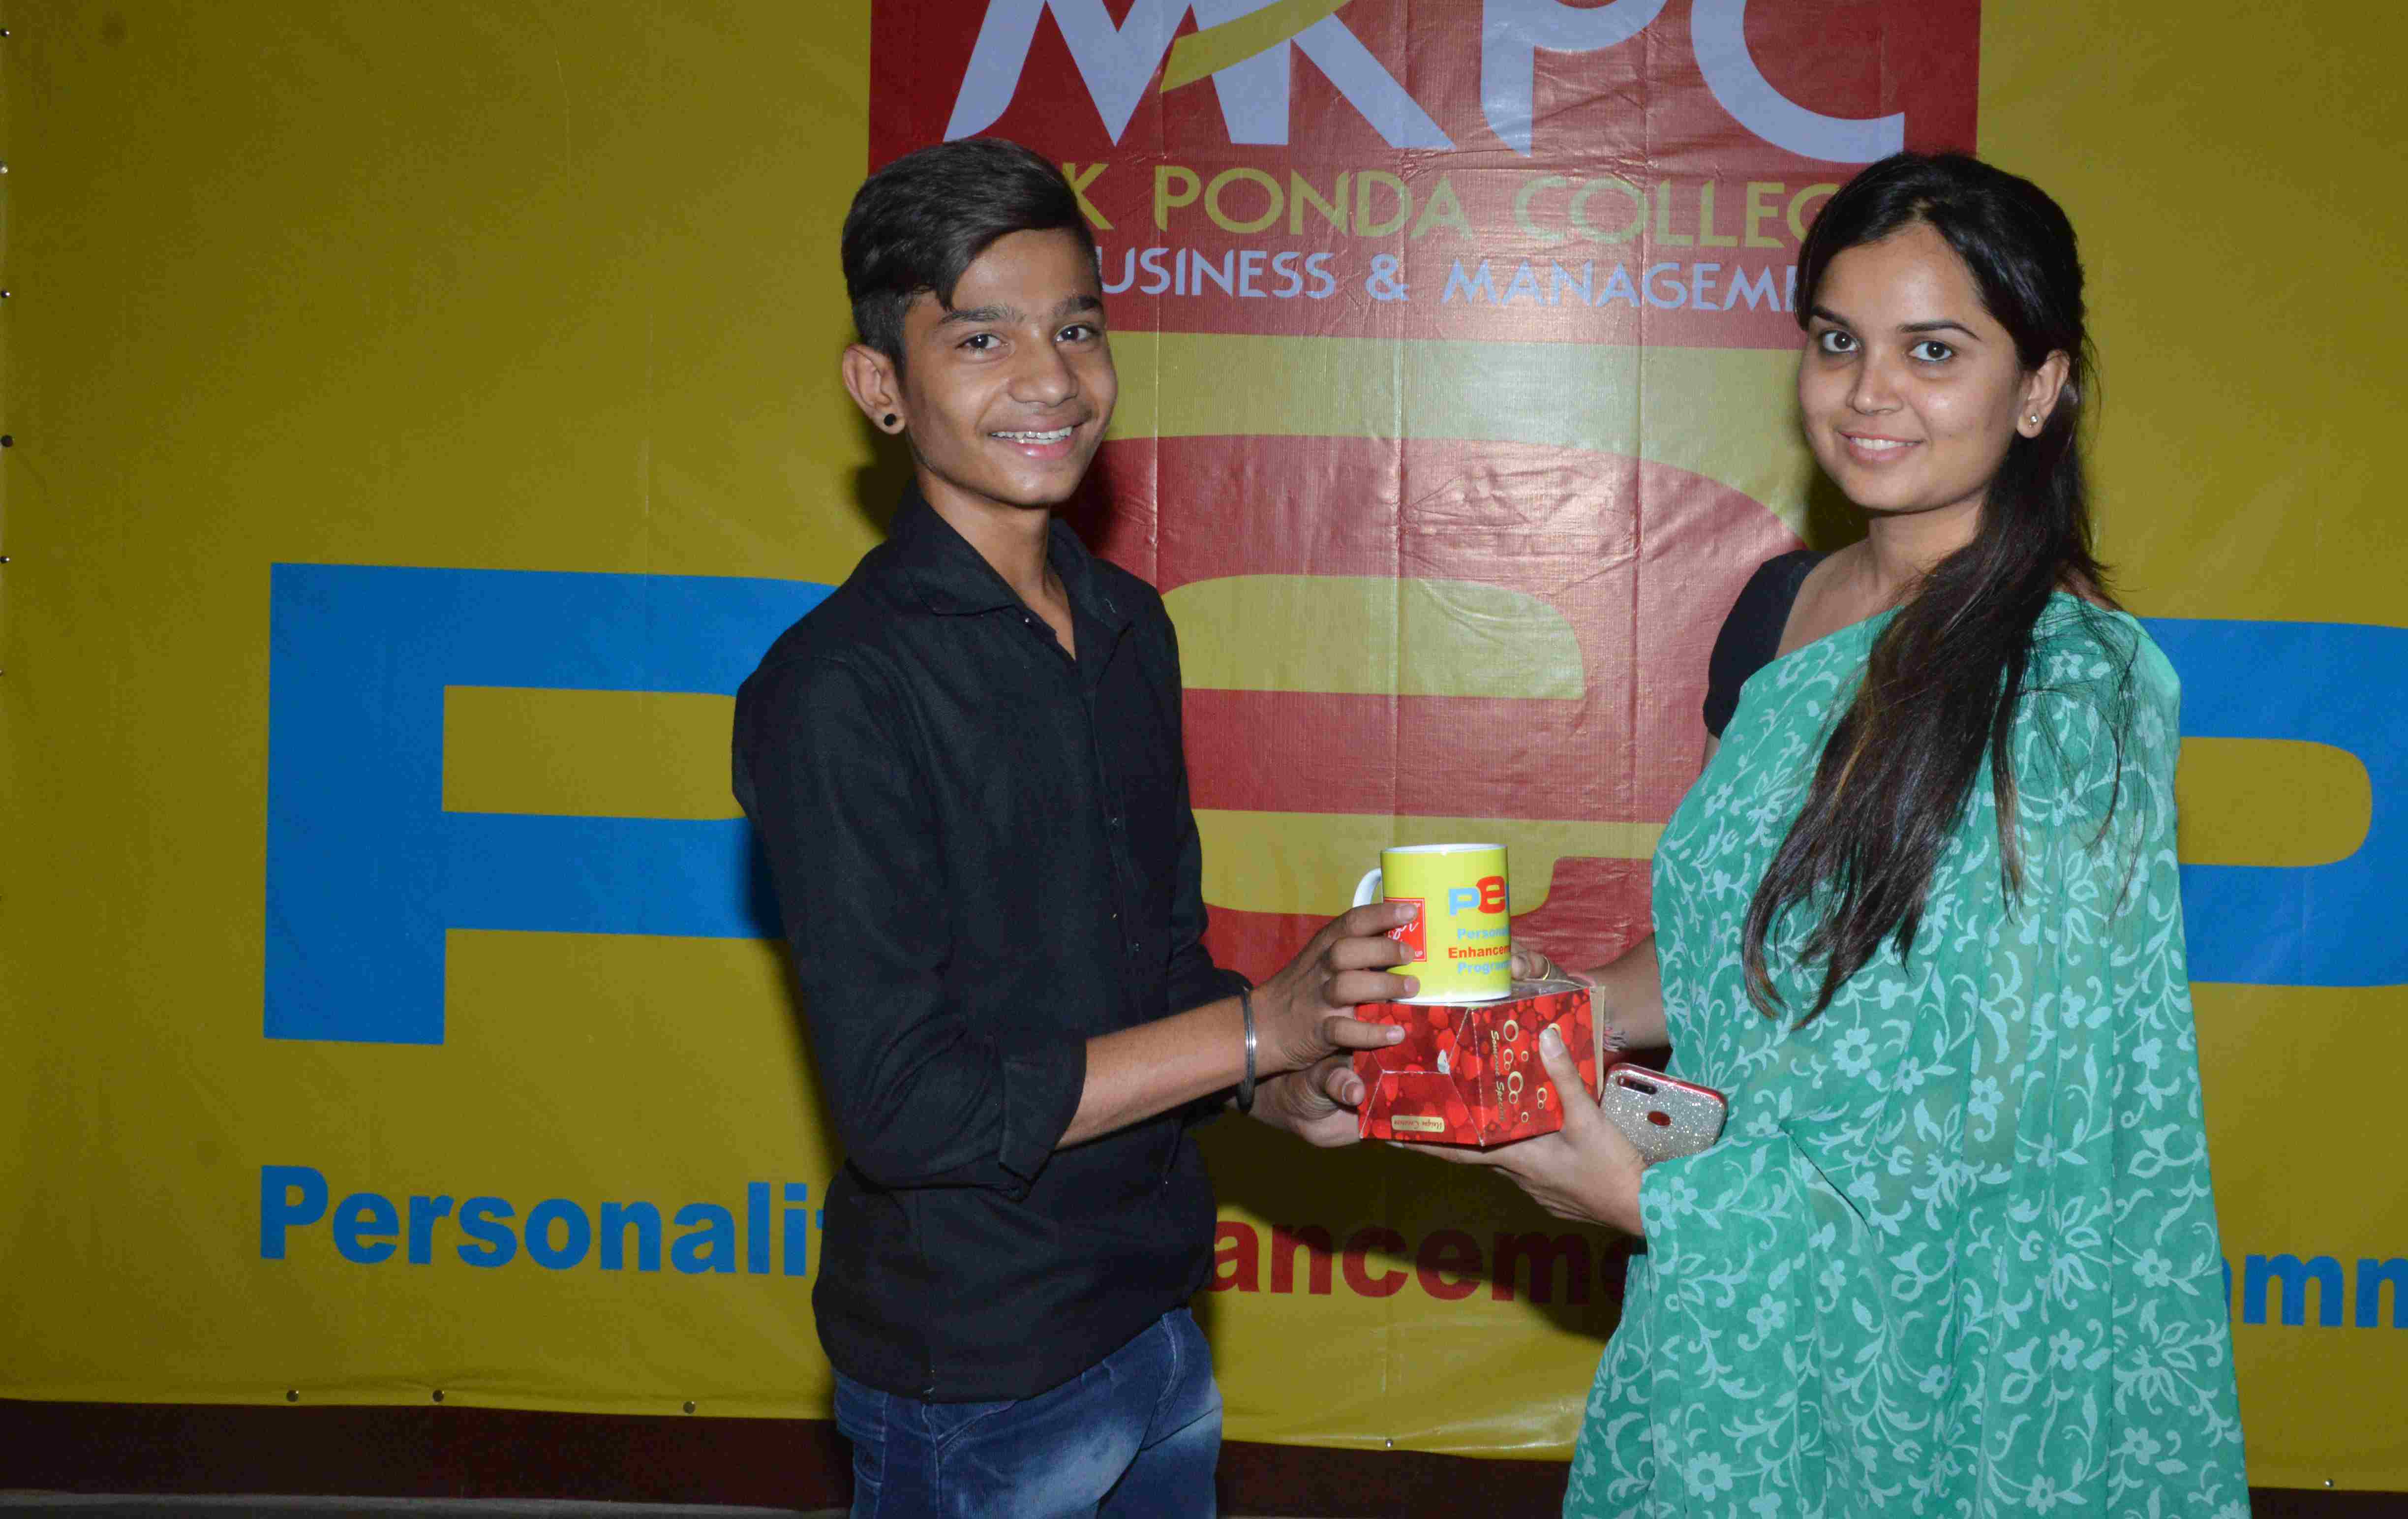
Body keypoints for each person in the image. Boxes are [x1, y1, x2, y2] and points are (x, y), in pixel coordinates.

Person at [1416, 152, 2250, 1518]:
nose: (1869, 393)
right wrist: (1571, 1008)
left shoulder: (2072, 689)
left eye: (1935, 351)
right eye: (1837, 341)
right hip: (1735, 1309)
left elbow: (2003, 1114)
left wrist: (1646, 1201)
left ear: (2039, 388)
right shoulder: (1779, 611)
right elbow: (1755, 947)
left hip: (1935, 1337)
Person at [732, 138, 1407, 1519]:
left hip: (1159, 1322)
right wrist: (1257, 1031)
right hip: (976, 1374)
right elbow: (908, 1110)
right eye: (982, 339)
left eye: (1078, 329)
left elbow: (1157, 967)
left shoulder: (1127, 626)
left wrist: (1275, 1084)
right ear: (881, 387)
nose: (1049, 380)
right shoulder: (837, 688)